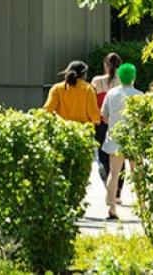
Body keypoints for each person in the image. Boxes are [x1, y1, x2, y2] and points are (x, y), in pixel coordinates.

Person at [101, 63, 144, 221]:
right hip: (134, 139)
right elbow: (144, 120)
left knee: (114, 172)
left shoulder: (111, 94)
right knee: (137, 172)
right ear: (133, 77)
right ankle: (142, 206)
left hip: (115, 137)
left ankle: (112, 208)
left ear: (118, 76)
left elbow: (104, 117)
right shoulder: (140, 95)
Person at [91, 53, 123, 184]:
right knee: (119, 154)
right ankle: (118, 190)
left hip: (101, 121)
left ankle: (107, 182)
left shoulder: (96, 81)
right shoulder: (123, 81)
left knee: (102, 154)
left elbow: (92, 102)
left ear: (105, 65)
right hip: (118, 121)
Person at [44, 60, 101, 125]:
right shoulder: (88, 89)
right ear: (83, 74)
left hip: (62, 129)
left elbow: (47, 110)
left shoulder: (57, 88)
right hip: (83, 131)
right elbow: (95, 116)